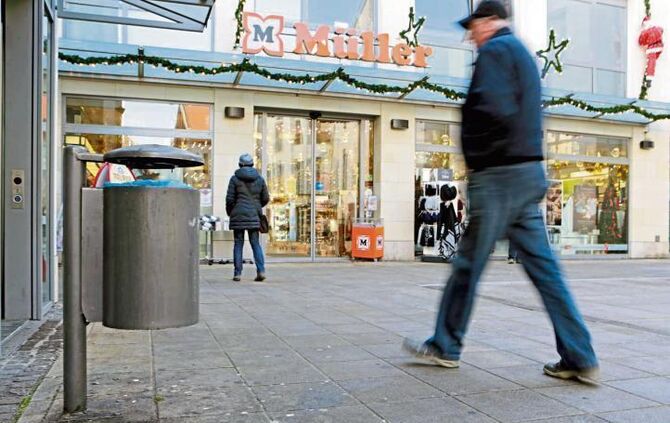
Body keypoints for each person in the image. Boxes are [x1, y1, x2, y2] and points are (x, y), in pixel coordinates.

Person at [402, 0, 599, 382]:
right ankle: (580, 355)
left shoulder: (496, 51)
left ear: (491, 21)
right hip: (526, 174)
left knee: (467, 265)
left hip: (498, 176)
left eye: (473, 27)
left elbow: (492, 109)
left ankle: (445, 345)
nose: (470, 37)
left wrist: (477, 158)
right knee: (545, 271)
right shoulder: (522, 54)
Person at [226, 153, 270, 282]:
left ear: (240, 164)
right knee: (255, 243)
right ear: (252, 164)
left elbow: (229, 199)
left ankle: (237, 273)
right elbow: (265, 198)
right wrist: (256, 206)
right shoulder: (260, 179)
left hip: (238, 215)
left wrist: (232, 212)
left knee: (238, 243)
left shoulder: (234, 179)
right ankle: (261, 271)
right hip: (254, 214)